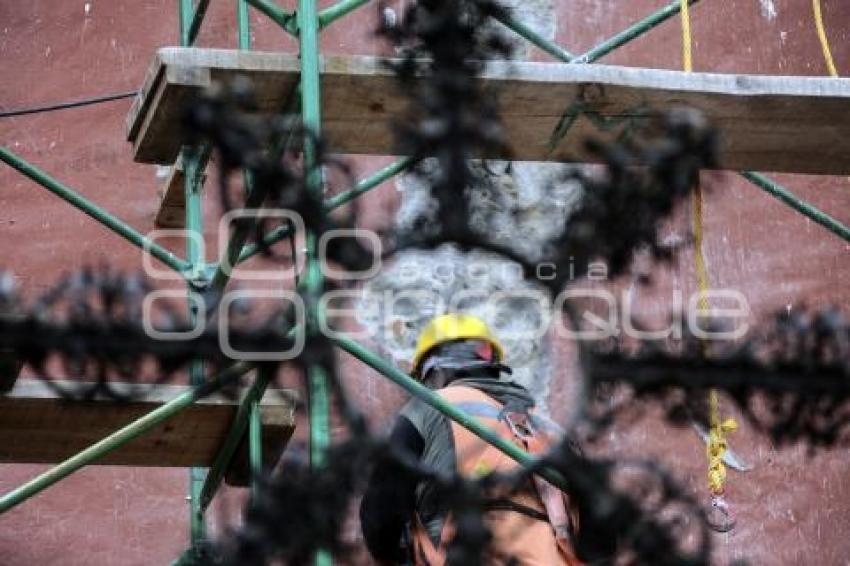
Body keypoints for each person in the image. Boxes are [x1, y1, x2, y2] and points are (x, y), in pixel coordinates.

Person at [360, 313, 583, 565]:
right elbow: (602, 537)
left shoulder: (427, 409)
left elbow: (381, 515)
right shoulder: (551, 432)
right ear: (491, 363)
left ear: (432, 371)